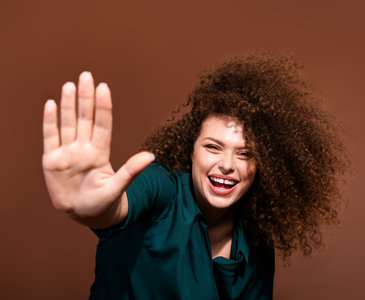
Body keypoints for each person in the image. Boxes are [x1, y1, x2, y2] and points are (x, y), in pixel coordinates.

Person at [42, 52, 348, 299]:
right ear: (191, 151)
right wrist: (96, 210)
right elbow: (120, 206)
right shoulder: (161, 186)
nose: (228, 164)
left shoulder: (256, 245)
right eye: (213, 147)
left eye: (245, 154)